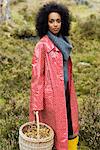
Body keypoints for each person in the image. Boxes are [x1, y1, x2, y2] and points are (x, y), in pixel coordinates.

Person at [29, 2, 79, 150]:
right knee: (55, 131)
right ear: (46, 23)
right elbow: (37, 78)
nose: (55, 24)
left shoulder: (64, 42)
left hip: (67, 92)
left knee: (70, 125)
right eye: (51, 21)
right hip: (51, 97)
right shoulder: (42, 45)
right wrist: (36, 105)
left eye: (58, 20)